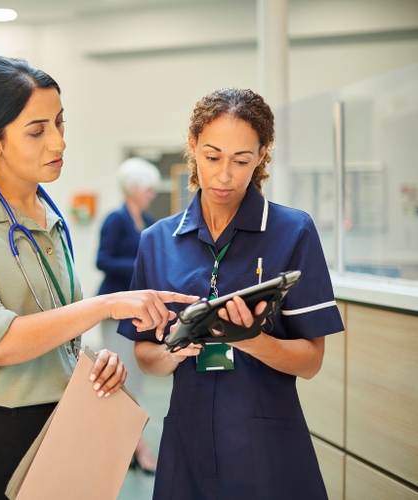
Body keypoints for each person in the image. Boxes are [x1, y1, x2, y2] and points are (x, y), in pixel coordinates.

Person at [0, 56, 197, 499]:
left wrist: (90, 364)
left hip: (56, 431)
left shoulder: (50, 214)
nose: (59, 143)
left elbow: (56, 328)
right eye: (37, 130)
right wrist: (105, 306)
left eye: (60, 124)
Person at [122, 88, 344, 499]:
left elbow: (311, 361)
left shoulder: (293, 233)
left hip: (267, 443)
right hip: (186, 443)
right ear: (192, 148)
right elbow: (144, 355)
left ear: (261, 155)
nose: (225, 175)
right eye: (212, 157)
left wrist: (251, 340)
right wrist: (174, 351)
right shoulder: (156, 241)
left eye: (241, 160)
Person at [96, 157, 161, 473]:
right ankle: (137, 446)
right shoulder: (115, 220)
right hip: (114, 310)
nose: (151, 194)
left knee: (133, 379)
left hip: (136, 310)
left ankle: (130, 444)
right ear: (133, 188)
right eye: (148, 188)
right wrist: (138, 267)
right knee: (120, 379)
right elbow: (103, 260)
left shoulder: (147, 219)